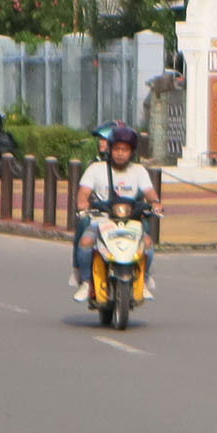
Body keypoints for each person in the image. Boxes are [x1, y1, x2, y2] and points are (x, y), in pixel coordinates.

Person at [72, 124, 160, 305]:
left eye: (125, 150)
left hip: (131, 221)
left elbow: (150, 191)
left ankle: (143, 280)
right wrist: (82, 202)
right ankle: (87, 282)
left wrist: (156, 203)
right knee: (86, 241)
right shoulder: (96, 169)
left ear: (132, 152)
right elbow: (84, 191)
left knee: (148, 243)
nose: (120, 153)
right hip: (102, 220)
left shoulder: (138, 171)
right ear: (110, 149)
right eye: (117, 149)